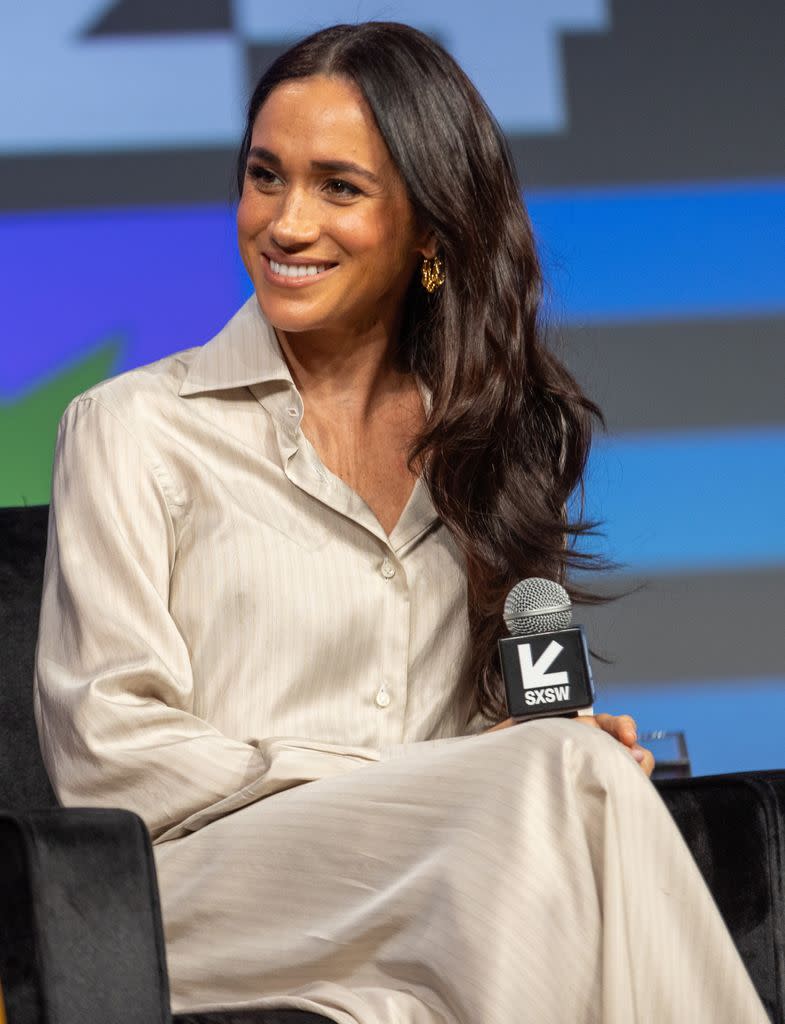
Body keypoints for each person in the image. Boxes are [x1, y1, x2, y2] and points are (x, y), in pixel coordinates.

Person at [33, 21, 768, 1024]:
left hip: (443, 883)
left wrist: (514, 750)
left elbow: (480, 739)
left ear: (429, 229)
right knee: (557, 785)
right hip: (196, 897)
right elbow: (108, 754)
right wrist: (445, 777)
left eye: (339, 186)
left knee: (563, 792)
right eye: (264, 176)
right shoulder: (133, 429)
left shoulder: (487, 444)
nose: (285, 224)